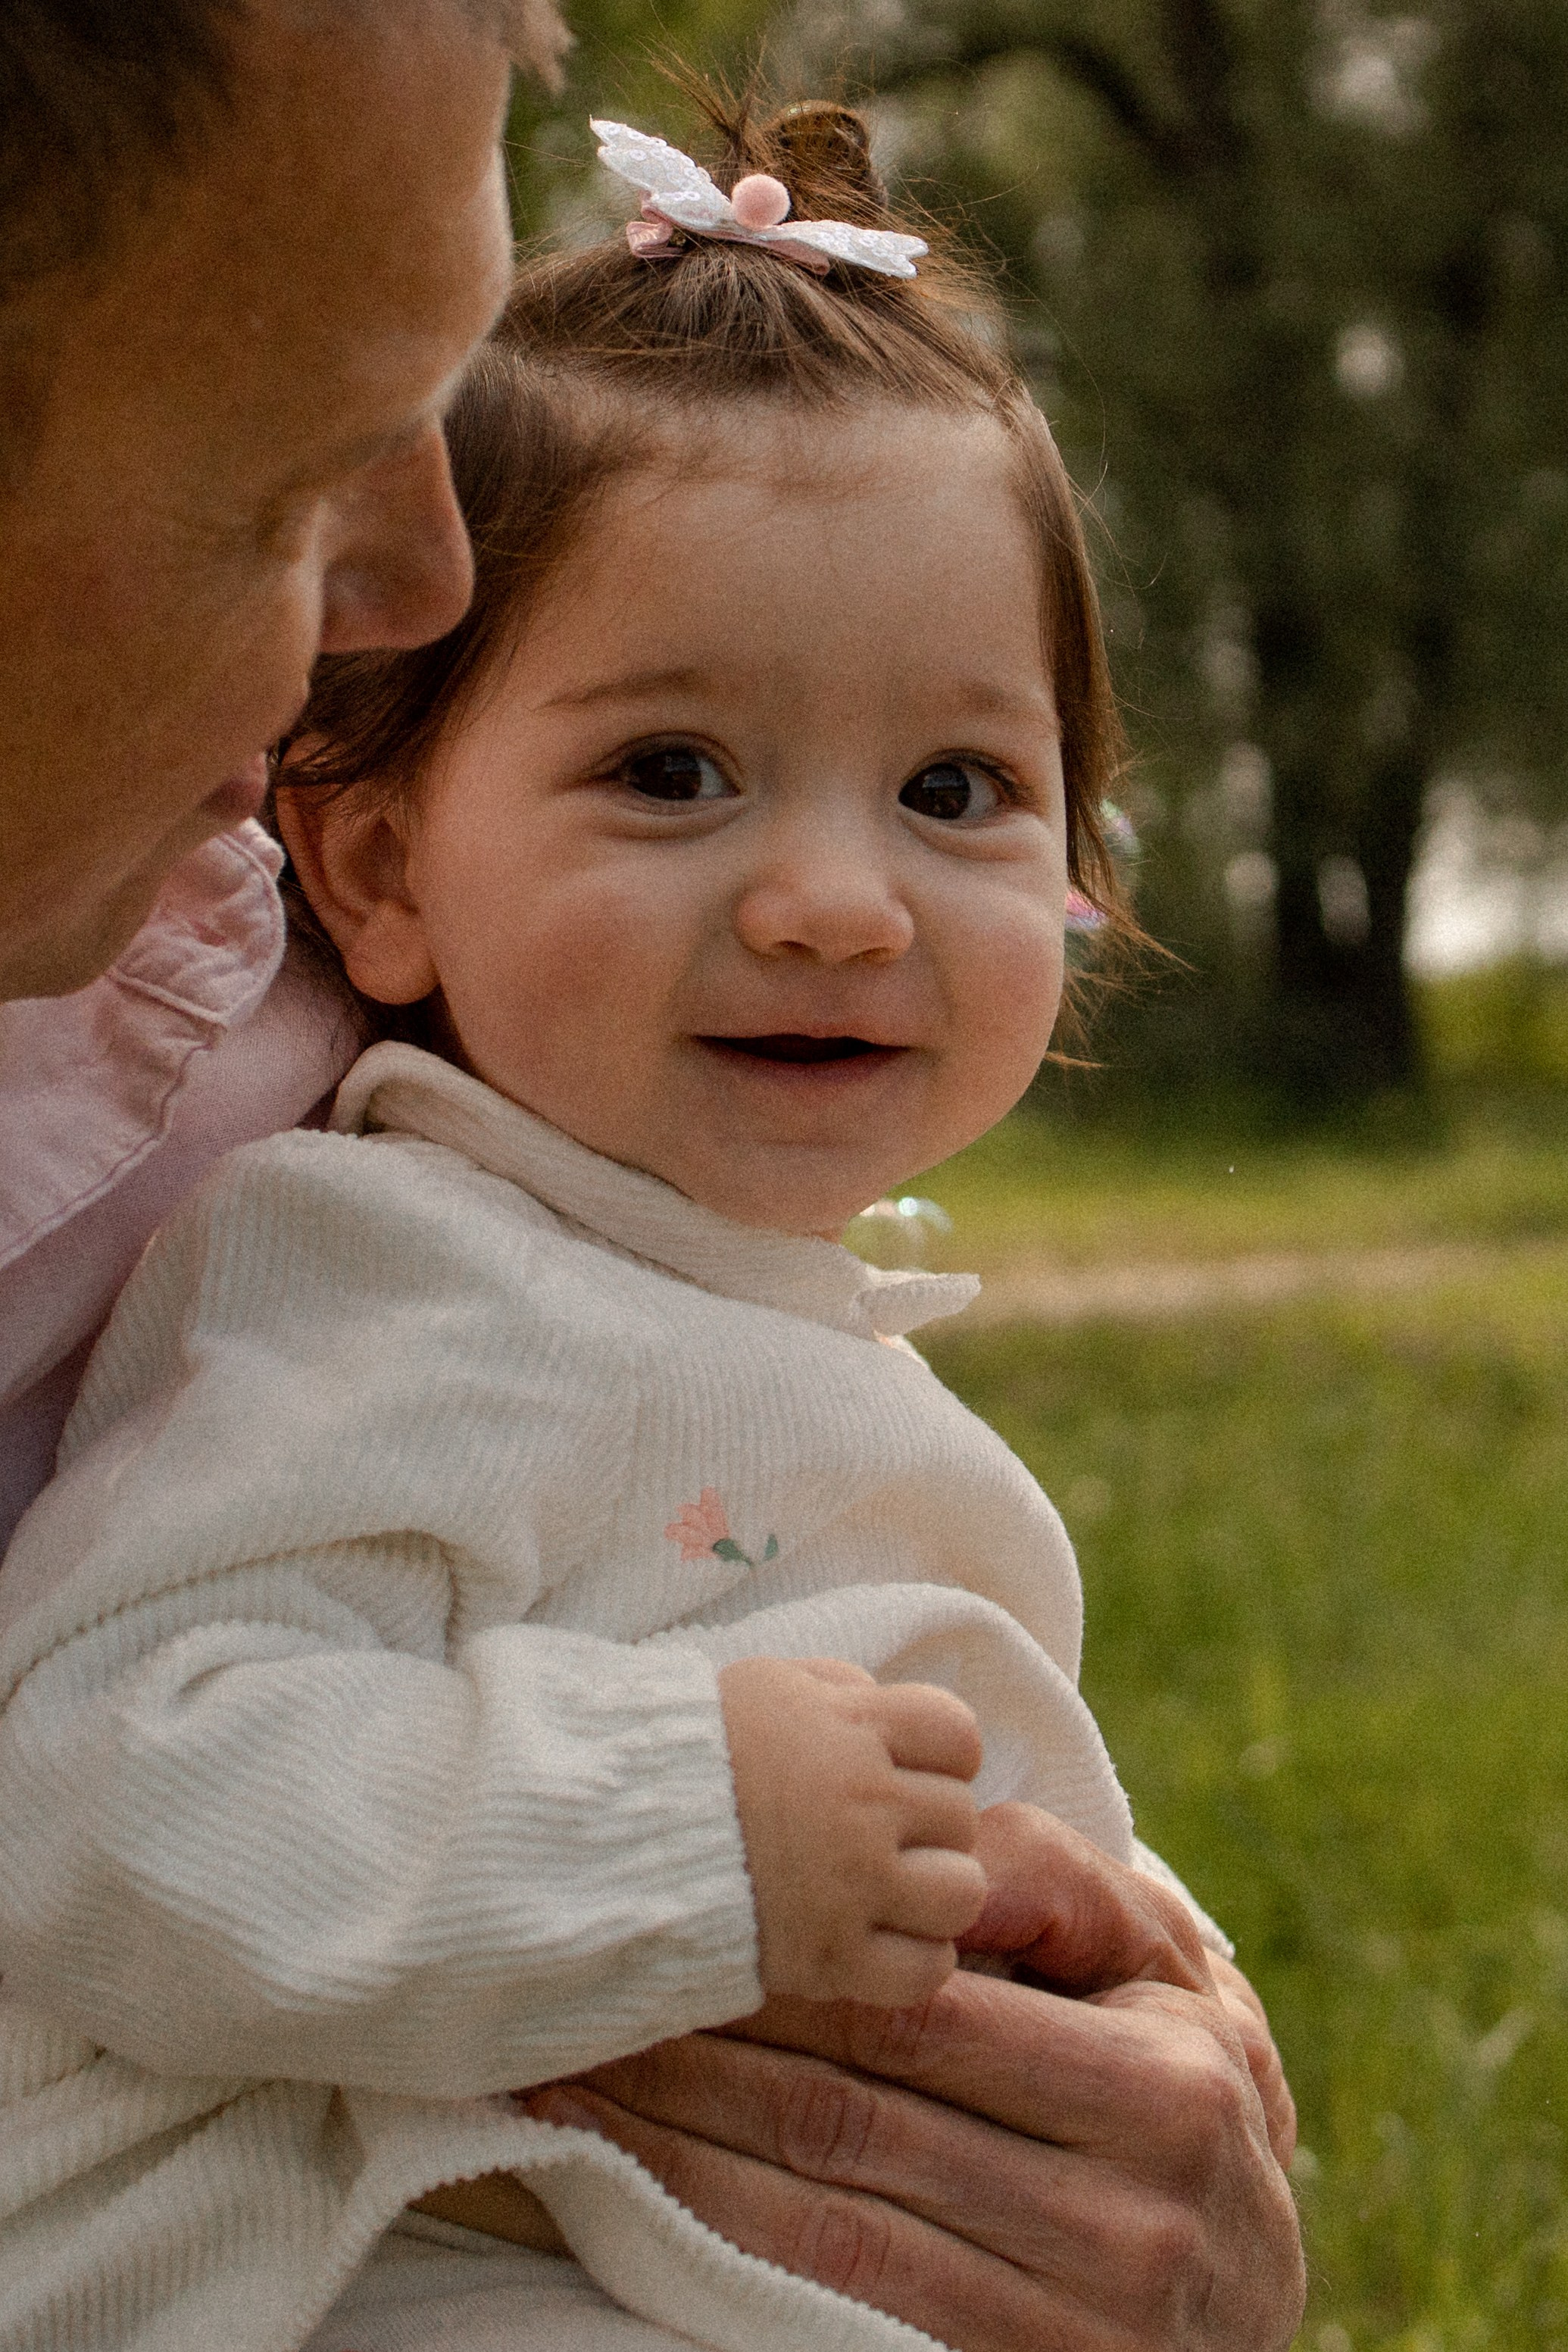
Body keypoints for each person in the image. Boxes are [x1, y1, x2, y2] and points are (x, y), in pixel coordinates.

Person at [0, 98, 1305, 2351]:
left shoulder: (776, 1332)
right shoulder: (378, 1265)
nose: (829, 901)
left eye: (957, 789)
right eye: (674, 771)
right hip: (326, 2256)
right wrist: (683, 1822)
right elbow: (110, 1778)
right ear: (380, 868)